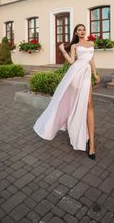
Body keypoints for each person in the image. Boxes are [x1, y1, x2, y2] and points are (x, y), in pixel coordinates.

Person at [33, 23, 100, 160]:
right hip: (76, 74)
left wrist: (95, 73)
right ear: (76, 33)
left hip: (87, 74)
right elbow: (71, 61)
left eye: (83, 29)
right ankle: (78, 129)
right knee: (78, 103)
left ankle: (92, 143)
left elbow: (91, 59)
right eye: (79, 30)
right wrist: (63, 50)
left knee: (89, 104)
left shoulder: (91, 44)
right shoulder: (75, 46)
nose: (82, 31)